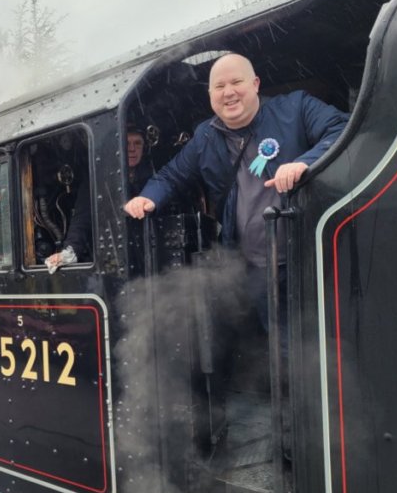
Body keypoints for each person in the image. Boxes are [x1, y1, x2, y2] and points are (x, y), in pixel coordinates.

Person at [123, 53, 349, 330]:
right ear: (210, 95)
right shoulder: (205, 136)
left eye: (236, 82)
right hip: (255, 267)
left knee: (324, 338)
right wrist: (147, 198)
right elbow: (172, 175)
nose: (228, 92)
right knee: (280, 343)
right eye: (219, 87)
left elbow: (342, 128)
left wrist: (304, 163)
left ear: (255, 83)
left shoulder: (296, 106)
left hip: (314, 257)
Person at [46, 126, 153, 272]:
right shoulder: (97, 179)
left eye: (137, 143)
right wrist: (70, 251)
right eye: (127, 143)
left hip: (149, 251)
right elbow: (82, 218)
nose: (132, 149)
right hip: (116, 253)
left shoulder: (153, 176)